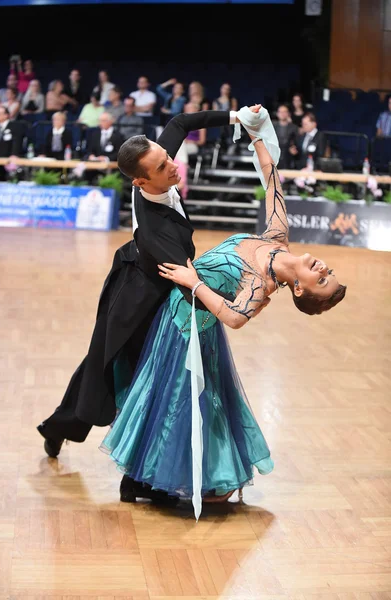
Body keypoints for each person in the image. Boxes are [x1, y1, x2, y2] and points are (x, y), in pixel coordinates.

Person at [99, 105, 347, 520]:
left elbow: (234, 317)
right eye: (330, 273)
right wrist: (254, 133)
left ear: (299, 289)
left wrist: (193, 283)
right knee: (173, 403)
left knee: (181, 406)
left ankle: (167, 481)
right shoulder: (277, 237)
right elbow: (272, 181)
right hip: (179, 313)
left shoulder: (260, 282)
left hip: (189, 328)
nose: (325, 269)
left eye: (323, 281)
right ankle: (151, 480)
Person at [36, 105, 251, 504]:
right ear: (140, 180)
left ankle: (123, 471)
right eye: (163, 165)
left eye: (168, 157)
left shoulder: (156, 162)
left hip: (154, 286)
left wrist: (236, 117)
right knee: (124, 381)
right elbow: (190, 280)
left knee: (111, 377)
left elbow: (180, 123)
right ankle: (129, 474)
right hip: (139, 304)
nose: (173, 165)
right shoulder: (155, 232)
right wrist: (241, 301)